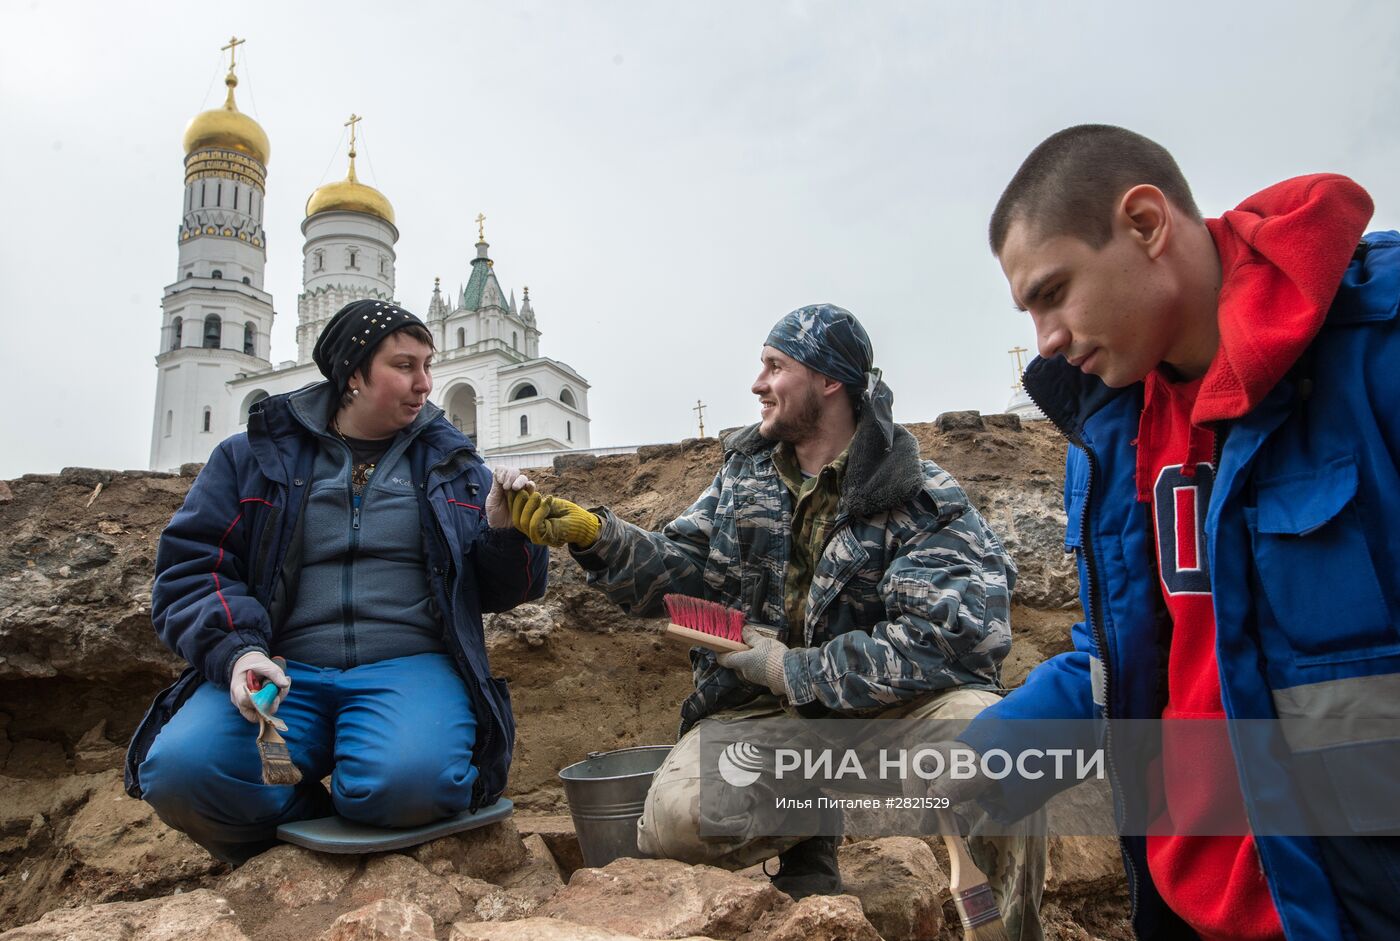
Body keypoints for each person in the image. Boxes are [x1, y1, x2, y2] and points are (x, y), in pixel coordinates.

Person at [941, 124, 1400, 939]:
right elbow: (1128, 660)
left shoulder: (1376, 349)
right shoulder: (1115, 433)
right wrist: (986, 753)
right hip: (1188, 909)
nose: (1044, 339)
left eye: (1053, 292)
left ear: (1147, 224)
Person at [513, 304, 1045, 938]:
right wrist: (598, 536)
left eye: (775, 366)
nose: (758, 383)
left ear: (828, 381)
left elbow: (950, 641)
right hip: (765, 719)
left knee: (1002, 751)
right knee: (676, 821)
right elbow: (683, 574)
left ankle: (1008, 931)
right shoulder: (745, 475)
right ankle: (809, 833)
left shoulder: (918, 492)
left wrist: (791, 668)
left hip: (891, 718)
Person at [123, 299, 549, 865]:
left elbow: (506, 592)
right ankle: (302, 827)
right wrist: (239, 653)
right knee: (183, 772)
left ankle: (366, 791)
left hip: (408, 665)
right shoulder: (252, 458)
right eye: (404, 366)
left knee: (411, 785)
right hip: (281, 670)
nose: (424, 384)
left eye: (429, 365)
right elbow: (193, 568)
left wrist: (506, 533)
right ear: (352, 373)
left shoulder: (455, 466)